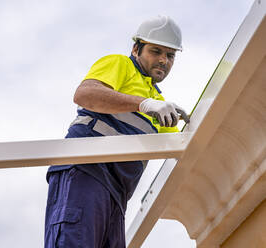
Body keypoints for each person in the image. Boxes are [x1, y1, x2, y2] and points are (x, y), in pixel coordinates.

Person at [44, 15, 190, 248]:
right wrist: (143, 104)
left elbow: (181, 146)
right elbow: (85, 94)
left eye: (170, 55)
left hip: (117, 194)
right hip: (85, 173)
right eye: (156, 51)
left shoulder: (158, 101)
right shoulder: (120, 65)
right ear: (136, 49)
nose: (163, 60)